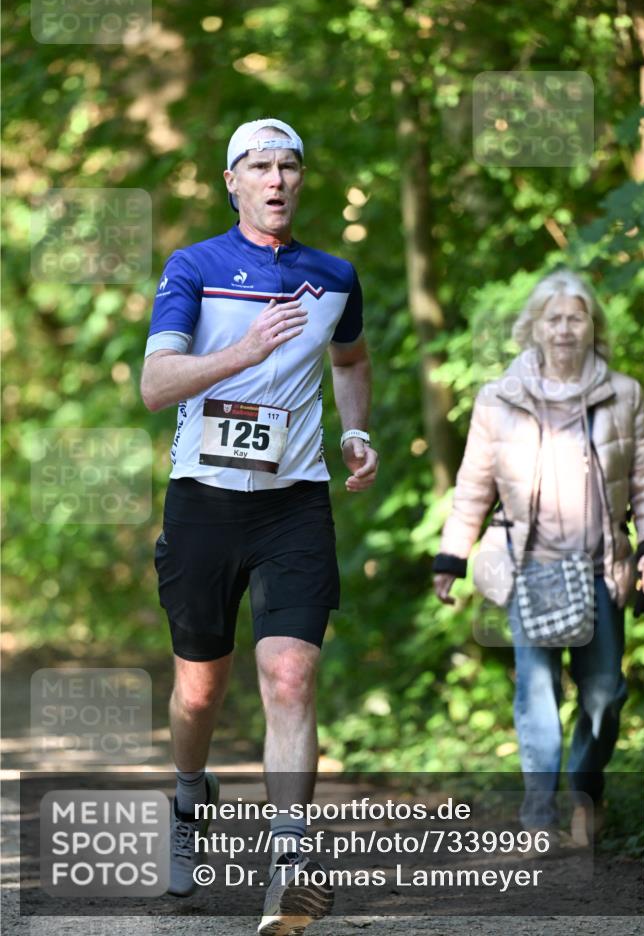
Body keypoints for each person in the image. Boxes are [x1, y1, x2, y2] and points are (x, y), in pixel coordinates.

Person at [141, 118, 378, 934]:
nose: (277, 180)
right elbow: (155, 384)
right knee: (200, 690)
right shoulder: (195, 267)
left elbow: (349, 361)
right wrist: (240, 354)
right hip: (203, 500)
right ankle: (185, 797)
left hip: (294, 502)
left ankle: (290, 865)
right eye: (260, 168)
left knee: (289, 675)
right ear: (231, 182)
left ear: (300, 181)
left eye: (289, 167)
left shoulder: (333, 274)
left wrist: (355, 430)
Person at [432, 270, 644, 843]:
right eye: (554, 318)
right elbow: (473, 486)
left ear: (593, 325)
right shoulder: (499, 398)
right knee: (536, 691)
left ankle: (586, 788)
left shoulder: (625, 394)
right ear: (534, 326)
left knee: (605, 693)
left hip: (601, 567)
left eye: (576, 317)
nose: (564, 328)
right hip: (527, 567)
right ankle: (539, 813)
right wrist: (450, 557)